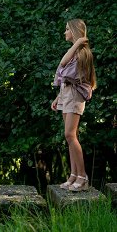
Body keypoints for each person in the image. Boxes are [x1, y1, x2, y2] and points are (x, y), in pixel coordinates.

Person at [51, 19, 97, 192]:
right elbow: (65, 77)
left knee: (70, 135)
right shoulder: (75, 52)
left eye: (67, 30)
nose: (65, 33)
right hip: (66, 93)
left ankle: (82, 177)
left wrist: (78, 42)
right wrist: (58, 98)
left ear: (75, 32)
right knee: (71, 138)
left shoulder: (83, 53)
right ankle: (73, 175)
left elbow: (62, 64)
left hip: (75, 96)